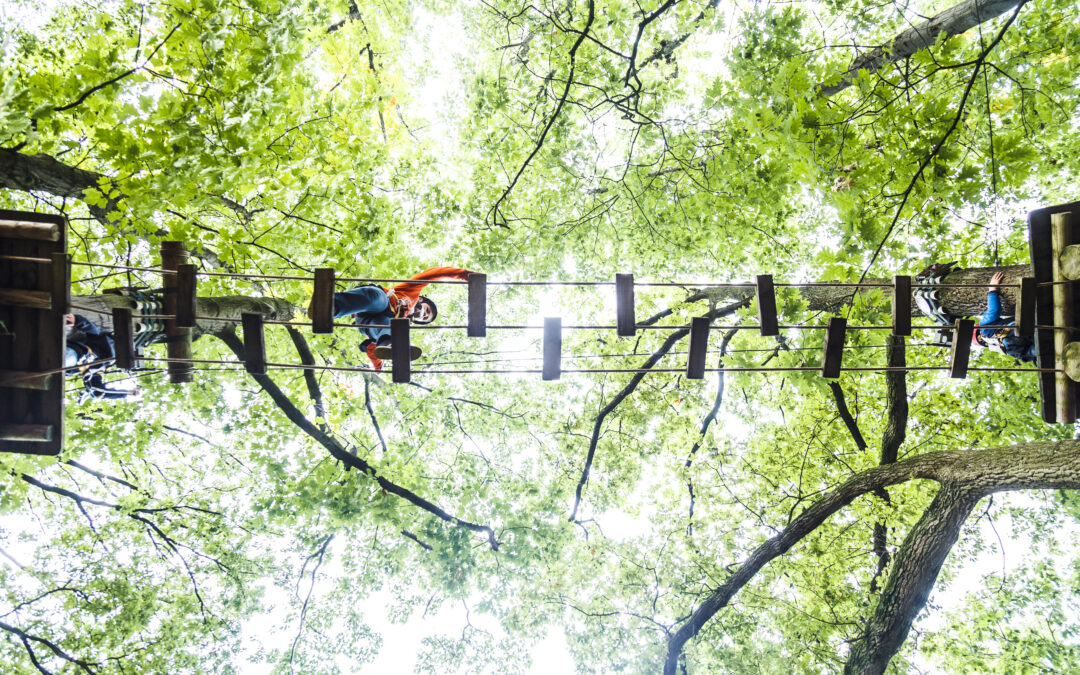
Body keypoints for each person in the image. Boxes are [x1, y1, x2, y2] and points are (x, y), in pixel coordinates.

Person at [315, 267, 474, 370]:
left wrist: (378, 367)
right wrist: (465, 275)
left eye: (425, 318)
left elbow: (372, 349)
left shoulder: (403, 323)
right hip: (381, 301)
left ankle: (391, 345)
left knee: (393, 328)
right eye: (427, 310)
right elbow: (434, 274)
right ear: (421, 300)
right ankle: (331, 306)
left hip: (369, 323)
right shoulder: (412, 293)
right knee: (375, 297)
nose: (424, 314)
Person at [65, 314, 140, 401]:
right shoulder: (107, 341)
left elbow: (98, 392)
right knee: (64, 360)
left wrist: (126, 394)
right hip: (76, 355)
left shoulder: (101, 369)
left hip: (70, 368)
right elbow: (93, 329)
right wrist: (78, 320)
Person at [972, 272, 1037, 362]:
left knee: (1032, 351)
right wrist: (992, 290)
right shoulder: (983, 329)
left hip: (1011, 347)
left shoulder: (1004, 349)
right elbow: (994, 311)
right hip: (1014, 330)